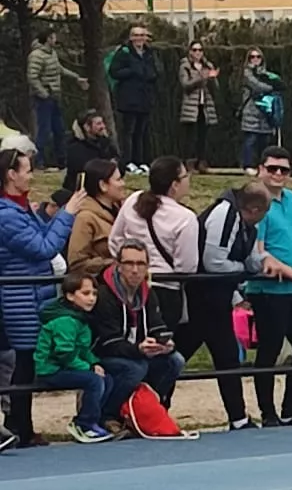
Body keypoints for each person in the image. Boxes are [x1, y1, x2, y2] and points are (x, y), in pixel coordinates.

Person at [1, 148, 87, 450]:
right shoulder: (7, 215)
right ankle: (19, 427)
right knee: (23, 365)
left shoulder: (20, 210)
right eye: (26, 170)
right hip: (19, 298)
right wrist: (68, 213)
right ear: (11, 175)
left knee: (26, 365)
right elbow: (44, 248)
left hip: (31, 296)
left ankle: (21, 426)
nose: (31, 175)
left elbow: (43, 241)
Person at [240, 147, 292, 425]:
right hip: (268, 289)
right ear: (261, 169)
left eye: (283, 169)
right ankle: (269, 413)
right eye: (272, 168)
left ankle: (289, 411)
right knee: (269, 351)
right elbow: (259, 252)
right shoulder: (257, 202)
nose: (277, 174)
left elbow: (291, 237)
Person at [188, 180, 271, 430]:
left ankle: (239, 418)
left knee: (227, 357)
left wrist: (261, 262)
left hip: (218, 299)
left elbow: (246, 257)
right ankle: (152, 407)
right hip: (199, 299)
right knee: (181, 353)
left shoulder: (243, 224)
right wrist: (244, 271)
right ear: (255, 210)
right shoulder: (225, 215)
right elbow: (214, 262)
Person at [89, 241, 185, 429]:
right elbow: (109, 342)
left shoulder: (147, 292)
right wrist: (139, 350)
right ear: (118, 265)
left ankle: (146, 407)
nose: (135, 270)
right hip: (103, 355)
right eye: (129, 264)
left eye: (140, 264)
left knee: (176, 360)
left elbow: (157, 325)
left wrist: (164, 342)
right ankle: (109, 414)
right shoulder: (104, 295)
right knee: (135, 368)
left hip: (136, 352)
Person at [110, 156, 199, 323]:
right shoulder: (185, 218)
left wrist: (128, 264)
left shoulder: (133, 200)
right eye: (185, 176)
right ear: (175, 184)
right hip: (166, 289)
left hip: (130, 284)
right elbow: (187, 266)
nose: (189, 180)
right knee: (160, 342)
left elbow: (115, 240)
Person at [34, 270, 117, 442]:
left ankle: (95, 419)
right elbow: (64, 353)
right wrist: (87, 368)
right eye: (85, 293)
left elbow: (82, 349)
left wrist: (94, 363)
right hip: (51, 369)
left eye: (94, 293)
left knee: (106, 378)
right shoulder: (66, 320)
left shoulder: (80, 318)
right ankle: (83, 424)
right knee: (93, 380)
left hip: (65, 366)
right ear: (70, 296)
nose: (92, 298)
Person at [29, 31, 83, 173]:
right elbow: (32, 77)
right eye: (53, 37)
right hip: (45, 98)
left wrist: (76, 78)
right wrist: (43, 93)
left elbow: (59, 69)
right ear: (48, 39)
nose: (56, 40)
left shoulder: (51, 53)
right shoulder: (36, 56)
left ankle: (62, 162)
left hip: (55, 96)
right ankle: (38, 161)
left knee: (59, 130)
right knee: (44, 130)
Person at [107, 25, 160, 167]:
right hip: (128, 98)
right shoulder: (124, 52)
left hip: (145, 98)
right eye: (136, 35)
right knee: (128, 132)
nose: (139, 38)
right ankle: (127, 161)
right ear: (131, 37)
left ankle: (140, 161)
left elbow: (156, 71)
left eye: (142, 35)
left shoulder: (149, 53)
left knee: (141, 132)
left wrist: (149, 75)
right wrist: (132, 72)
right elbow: (114, 72)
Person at [68, 159, 127, 272]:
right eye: (118, 180)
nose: (123, 184)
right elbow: (77, 263)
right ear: (103, 185)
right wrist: (111, 264)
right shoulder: (85, 218)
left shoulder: (123, 211)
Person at [179, 42, 220, 170]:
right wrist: (201, 77)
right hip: (191, 106)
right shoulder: (185, 66)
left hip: (205, 105)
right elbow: (185, 84)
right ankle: (188, 161)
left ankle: (201, 161)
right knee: (190, 136)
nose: (198, 53)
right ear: (190, 51)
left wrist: (212, 78)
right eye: (195, 50)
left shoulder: (208, 66)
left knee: (203, 136)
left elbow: (216, 89)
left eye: (200, 50)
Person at [239, 49, 281, 172]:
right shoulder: (246, 73)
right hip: (251, 111)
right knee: (251, 140)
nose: (255, 59)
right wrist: (271, 87)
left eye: (258, 57)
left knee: (265, 140)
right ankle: (248, 165)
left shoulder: (266, 74)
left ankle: (262, 166)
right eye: (252, 57)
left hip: (265, 112)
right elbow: (256, 86)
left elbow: (279, 85)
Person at [62, 112, 119, 193]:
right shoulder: (75, 147)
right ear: (87, 127)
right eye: (98, 124)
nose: (103, 126)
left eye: (103, 123)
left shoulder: (106, 143)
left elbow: (119, 162)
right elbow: (82, 170)